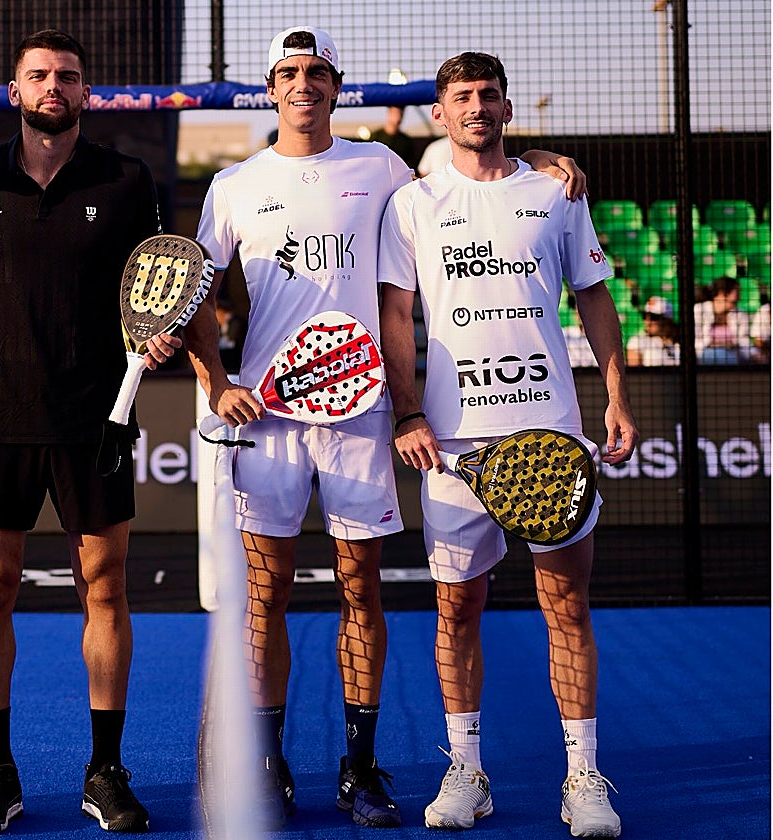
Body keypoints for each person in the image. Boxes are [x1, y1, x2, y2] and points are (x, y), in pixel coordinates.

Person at [182, 26, 588, 831]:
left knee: (360, 590)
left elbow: (477, 171)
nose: (305, 84)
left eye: (319, 73)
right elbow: (193, 288)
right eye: (290, 73)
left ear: (338, 85)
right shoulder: (232, 183)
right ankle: (266, 763)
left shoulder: (382, 167)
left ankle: (360, 767)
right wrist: (215, 381)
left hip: (362, 417)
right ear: (271, 86)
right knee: (265, 595)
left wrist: (544, 160)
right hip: (268, 421)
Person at [0, 29, 177, 835]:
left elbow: (160, 281)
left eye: (68, 76)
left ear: (86, 92)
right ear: (15, 88)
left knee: (106, 587)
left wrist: (162, 337)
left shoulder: (128, 179)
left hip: (98, 417)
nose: (53, 86)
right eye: (39, 75)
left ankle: (106, 770)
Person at [378, 52, 638, 838]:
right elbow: (396, 318)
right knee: (457, 610)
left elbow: (594, 298)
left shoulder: (553, 191)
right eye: (462, 97)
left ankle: (584, 778)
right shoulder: (412, 204)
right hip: (454, 448)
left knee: (568, 607)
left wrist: (617, 396)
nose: (477, 108)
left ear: (507, 108)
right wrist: (409, 412)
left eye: (489, 95)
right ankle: (467, 771)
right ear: (439, 115)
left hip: (551, 433)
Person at [694, 275, 752, 364]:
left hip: (734, 355)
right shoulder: (699, 310)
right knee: (716, 354)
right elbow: (695, 341)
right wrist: (715, 345)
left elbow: (744, 342)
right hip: (704, 355)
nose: (739, 297)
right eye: (737, 291)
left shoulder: (740, 314)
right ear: (721, 293)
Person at [626, 296, 681, 366]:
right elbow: (634, 375)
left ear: (667, 320)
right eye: (644, 316)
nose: (647, 322)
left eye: (653, 317)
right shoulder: (637, 341)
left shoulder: (683, 342)